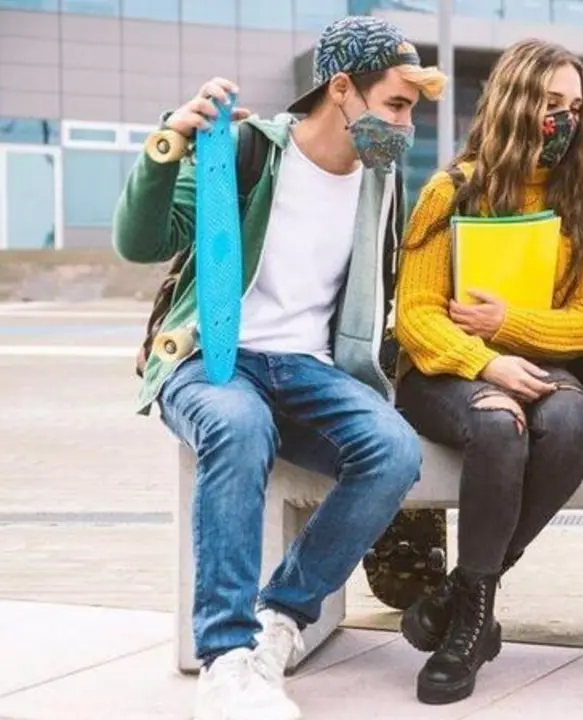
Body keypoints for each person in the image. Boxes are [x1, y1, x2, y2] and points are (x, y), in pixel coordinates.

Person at [112, 16, 446, 720]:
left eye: (413, 108)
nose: (407, 123)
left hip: (309, 370)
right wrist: (167, 144)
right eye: (396, 103)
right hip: (214, 357)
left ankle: (280, 621)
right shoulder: (242, 151)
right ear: (342, 89)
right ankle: (226, 657)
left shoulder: (379, 184)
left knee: (392, 451)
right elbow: (140, 241)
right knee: (238, 423)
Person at [393, 38, 583, 706]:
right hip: (443, 373)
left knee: (573, 421)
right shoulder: (449, 191)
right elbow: (417, 315)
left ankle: (466, 597)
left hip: (540, 363)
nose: (563, 119)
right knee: (499, 426)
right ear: (514, 101)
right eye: (550, 103)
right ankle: (470, 630)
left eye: (574, 107)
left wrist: (507, 324)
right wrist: (486, 361)